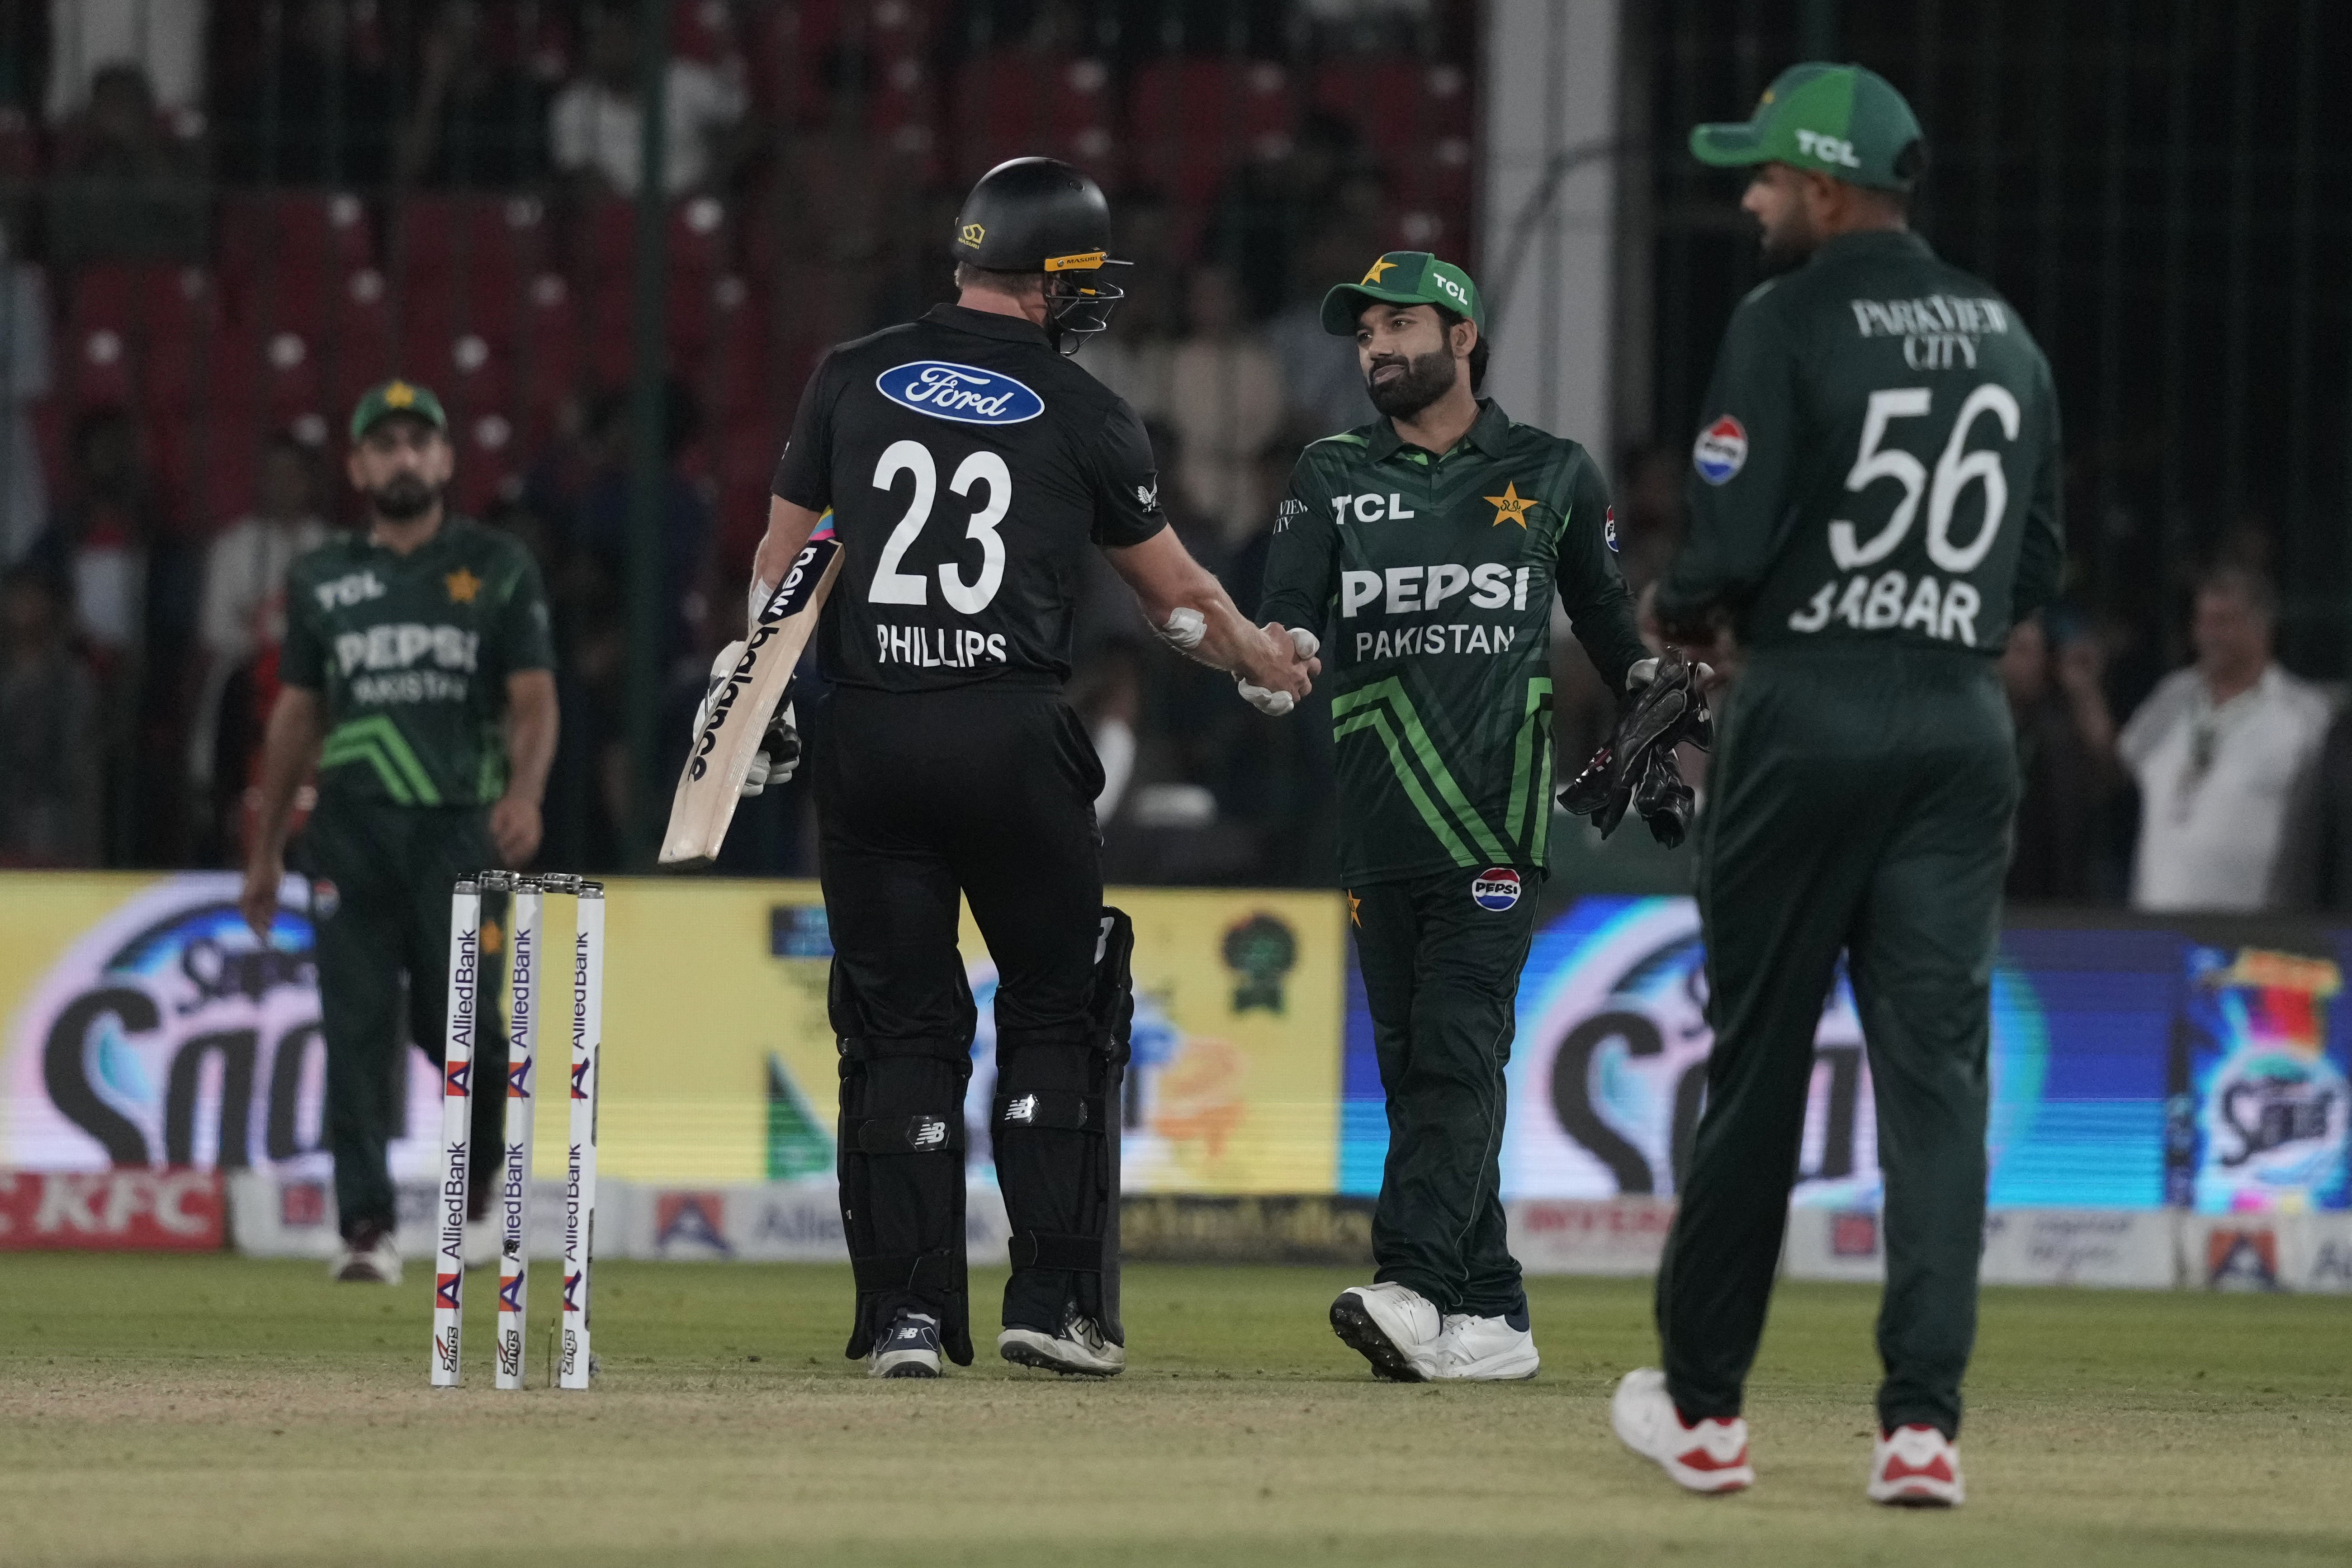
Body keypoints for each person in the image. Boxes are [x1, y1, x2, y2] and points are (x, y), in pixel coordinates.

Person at [743, 156, 1315, 1379]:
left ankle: (904, 1316)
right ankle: (1050, 1305)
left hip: (872, 731)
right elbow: (1181, 599)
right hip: (1010, 734)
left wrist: (765, 703)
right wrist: (1264, 660)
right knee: (1056, 1006)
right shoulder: (1087, 409)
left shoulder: (848, 376)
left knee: (898, 1024)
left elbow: (780, 570)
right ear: (1054, 276)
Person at [1612, 65, 2063, 1507]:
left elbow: (1724, 545)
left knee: (1753, 1068)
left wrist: (1683, 611)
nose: (1744, 200)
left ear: (1819, 187)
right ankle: (1918, 1429)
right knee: (1933, 1084)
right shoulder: (2004, 337)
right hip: (1955, 715)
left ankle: (1703, 1414)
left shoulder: (1783, 317)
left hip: (1806, 710)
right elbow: (2037, 568)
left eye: (1758, 177)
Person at [1255, 251, 1645, 1383]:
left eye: (1397, 326)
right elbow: (1289, 613)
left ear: (1463, 339)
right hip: (1377, 825)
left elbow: (1610, 623)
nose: (1374, 346)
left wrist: (1657, 684)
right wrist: (1274, 659)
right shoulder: (1328, 473)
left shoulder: (1553, 472)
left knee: (1457, 1052)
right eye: (1363, 332)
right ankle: (1495, 1313)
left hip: (1494, 820)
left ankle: (1418, 1285)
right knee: (1418, 1066)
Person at [239, 380, 558, 1285]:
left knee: (468, 1030)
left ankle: (483, 1171)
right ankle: (366, 1225)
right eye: (385, 446)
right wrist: (265, 850)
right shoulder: (322, 578)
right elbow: (295, 718)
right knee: (354, 1026)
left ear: (448, 460)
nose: (404, 458)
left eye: (420, 443)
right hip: (349, 826)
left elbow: (534, 699)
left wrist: (526, 793)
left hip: (462, 824)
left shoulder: (496, 567)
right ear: (357, 466)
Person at [2115, 565, 2329, 913]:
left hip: (2252, 931)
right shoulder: (2171, 697)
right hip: (2155, 926)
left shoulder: (2305, 715)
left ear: (2261, 627)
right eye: (2201, 621)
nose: (2207, 634)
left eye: (2223, 622)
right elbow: (2117, 768)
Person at [194, 433, 334, 859]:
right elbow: (216, 629)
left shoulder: (336, 549)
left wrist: (259, 619)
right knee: (236, 801)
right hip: (246, 692)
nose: (281, 485)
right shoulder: (233, 546)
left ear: (310, 482)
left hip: (317, 695)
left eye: (292, 475)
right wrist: (282, 629)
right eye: (272, 475)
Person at [550, 0, 747, 199]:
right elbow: (577, 171)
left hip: (693, 203)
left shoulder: (684, 80)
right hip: (618, 215)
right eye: (601, 41)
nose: (610, 49)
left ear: (638, 42)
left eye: (618, 39)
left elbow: (743, 124)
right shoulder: (574, 104)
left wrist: (714, 176)